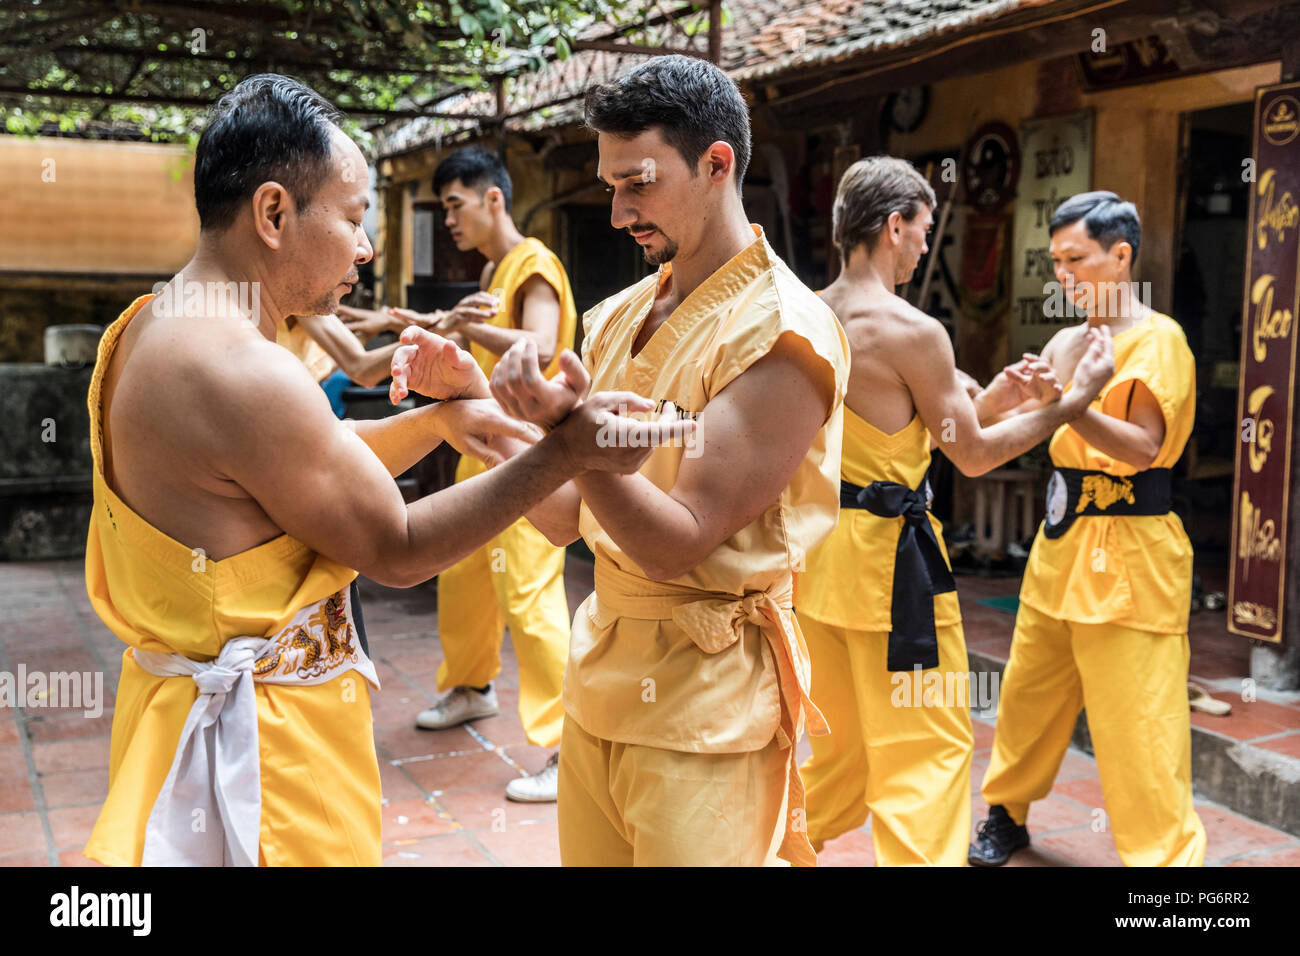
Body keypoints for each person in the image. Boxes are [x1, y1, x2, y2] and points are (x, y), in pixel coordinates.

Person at [82, 73, 691, 867]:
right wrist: (564, 451)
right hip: (264, 754)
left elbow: (314, 463)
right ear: (273, 213)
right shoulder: (239, 369)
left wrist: (444, 418)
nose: (366, 247)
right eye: (353, 217)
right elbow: (399, 544)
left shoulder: (155, 324)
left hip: (198, 711)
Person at [471, 54, 850, 866]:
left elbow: (676, 540)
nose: (618, 213)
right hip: (603, 675)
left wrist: (571, 435)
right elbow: (566, 515)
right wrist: (466, 406)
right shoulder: (617, 316)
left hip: (707, 705)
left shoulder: (783, 332)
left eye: (637, 184)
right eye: (611, 186)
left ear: (717, 164)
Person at [795, 157, 1115, 865]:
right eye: (923, 231)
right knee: (925, 755)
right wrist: (1075, 400)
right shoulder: (912, 329)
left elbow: (902, 418)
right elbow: (969, 455)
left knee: (839, 752)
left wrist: (998, 394)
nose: (923, 248)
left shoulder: (805, 312)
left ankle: (759, 850)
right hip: (892, 573)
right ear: (894, 224)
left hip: (817, 561)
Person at [970, 190, 1205, 867]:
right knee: (1028, 692)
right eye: (1056, 262)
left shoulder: (1159, 339)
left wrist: (1066, 406)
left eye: (1077, 259)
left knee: (1139, 717)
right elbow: (1017, 428)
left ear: (1121, 255)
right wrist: (1014, 399)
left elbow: (1140, 448)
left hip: (1132, 545)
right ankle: (1006, 814)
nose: (1064, 275)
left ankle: (1164, 862)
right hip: (1062, 538)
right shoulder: (1069, 340)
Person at [387, 147, 579, 803]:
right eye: (444, 208)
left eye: (455, 204)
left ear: (493, 199)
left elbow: (543, 346)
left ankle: (567, 747)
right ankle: (469, 687)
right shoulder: (496, 269)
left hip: (528, 451)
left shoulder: (535, 265)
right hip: (485, 446)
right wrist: (441, 329)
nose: (449, 220)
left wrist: (470, 329)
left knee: (528, 595)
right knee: (465, 577)